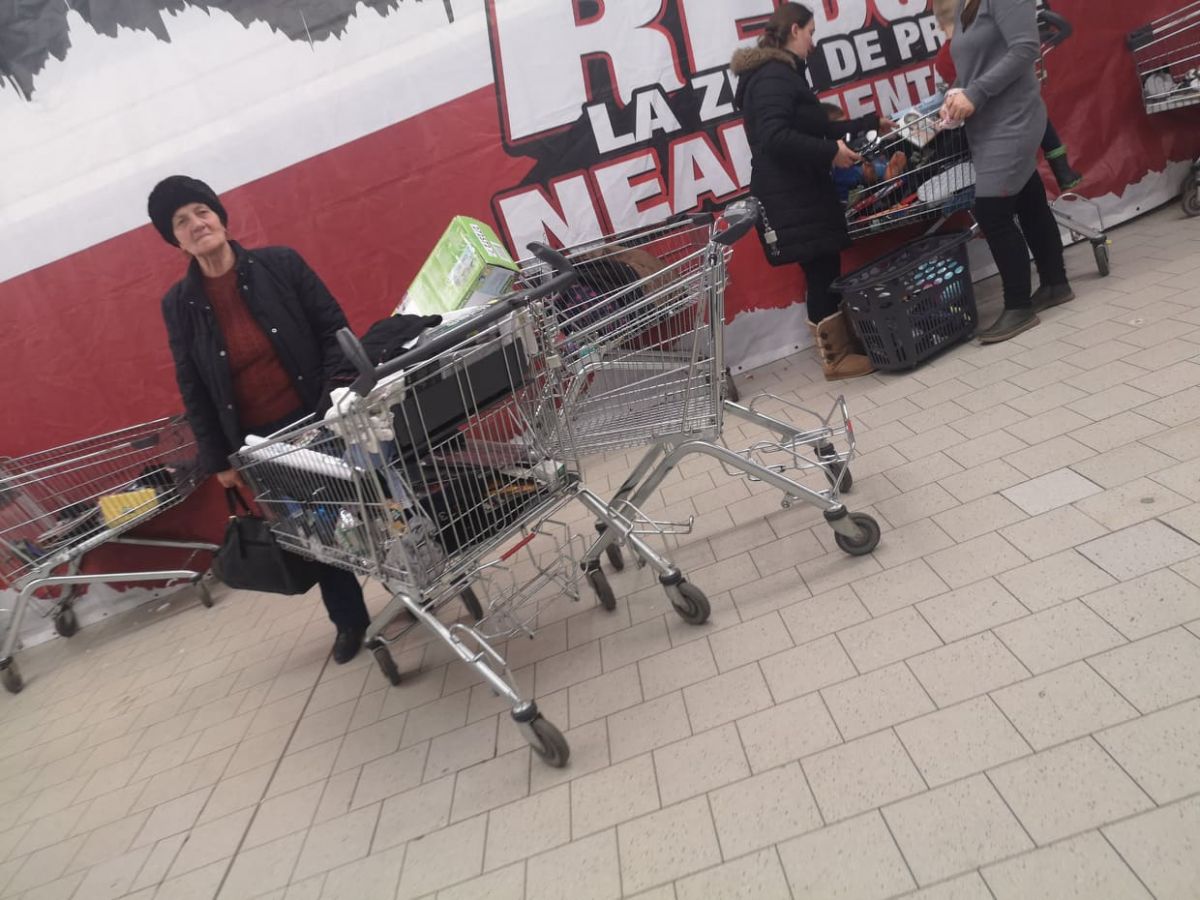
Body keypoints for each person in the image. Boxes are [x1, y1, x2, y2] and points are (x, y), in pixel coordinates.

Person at [149, 176, 372, 663]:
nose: (196, 224)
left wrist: (332, 403)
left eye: (201, 212)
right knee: (317, 534)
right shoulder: (179, 306)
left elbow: (333, 330)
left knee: (374, 508)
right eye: (181, 222)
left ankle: (416, 592)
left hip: (321, 415)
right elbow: (193, 384)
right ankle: (349, 620)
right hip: (260, 442)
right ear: (176, 241)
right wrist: (218, 460)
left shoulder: (281, 264)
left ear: (220, 218)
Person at [731, 3, 895, 380]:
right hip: (791, 193)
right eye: (810, 32)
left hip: (799, 189)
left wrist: (868, 124)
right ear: (794, 30)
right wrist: (829, 152)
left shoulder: (781, 74)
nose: (812, 41)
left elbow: (813, 126)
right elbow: (775, 137)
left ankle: (843, 347)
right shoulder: (773, 76)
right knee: (821, 268)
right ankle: (836, 359)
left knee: (825, 265)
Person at [942, 0, 1074, 343]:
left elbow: (1025, 48)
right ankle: (1055, 283)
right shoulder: (964, 5)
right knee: (1029, 200)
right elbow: (976, 63)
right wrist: (955, 93)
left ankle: (1018, 306)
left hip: (1014, 118)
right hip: (986, 123)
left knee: (992, 213)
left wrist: (976, 92)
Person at [932, 0, 1082, 191]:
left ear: (939, 24)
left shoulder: (944, 58)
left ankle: (1053, 175)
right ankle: (1062, 170)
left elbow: (960, 88)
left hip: (989, 123)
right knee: (1035, 113)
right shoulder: (977, 41)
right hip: (997, 114)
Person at [822, 103, 909, 202]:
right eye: (842, 126)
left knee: (896, 156)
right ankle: (885, 176)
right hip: (853, 176)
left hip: (866, 165)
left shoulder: (852, 139)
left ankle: (884, 173)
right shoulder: (833, 163)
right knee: (862, 170)